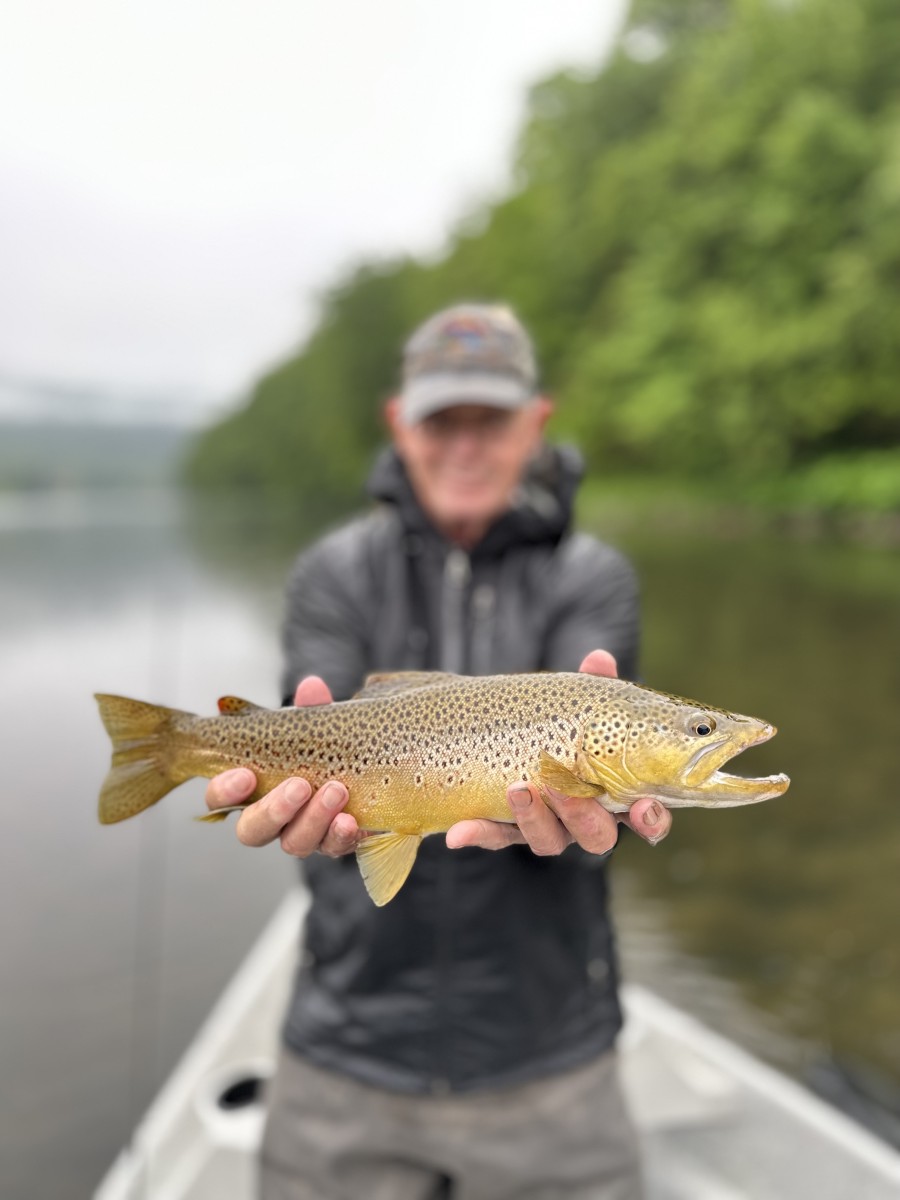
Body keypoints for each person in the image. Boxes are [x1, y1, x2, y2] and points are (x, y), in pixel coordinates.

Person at [206, 303, 672, 1200]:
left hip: (548, 1048)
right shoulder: (333, 573)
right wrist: (288, 777)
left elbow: (603, 733)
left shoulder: (593, 577)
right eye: (440, 420)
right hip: (347, 1042)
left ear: (535, 423)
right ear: (399, 423)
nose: (464, 445)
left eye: (489, 420)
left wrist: (618, 792)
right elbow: (317, 712)